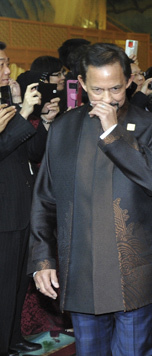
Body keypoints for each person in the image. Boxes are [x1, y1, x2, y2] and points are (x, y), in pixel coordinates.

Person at [30, 43, 152, 355]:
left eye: (116, 88)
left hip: (132, 270)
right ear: (81, 84)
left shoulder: (151, 126)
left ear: (129, 82)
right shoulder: (64, 127)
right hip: (81, 269)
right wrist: (42, 258)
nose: (107, 98)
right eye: (97, 89)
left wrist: (114, 134)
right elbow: (45, 198)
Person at [0, 41, 59, 356]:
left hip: (23, 207)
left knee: (18, 285)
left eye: (7, 63)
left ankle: (11, 338)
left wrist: (44, 120)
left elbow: (32, 152)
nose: (8, 71)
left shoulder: (6, 101)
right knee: (4, 284)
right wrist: (22, 112)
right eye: (1, 65)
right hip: (4, 212)